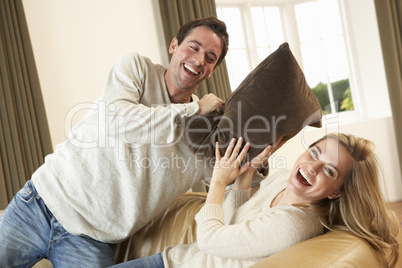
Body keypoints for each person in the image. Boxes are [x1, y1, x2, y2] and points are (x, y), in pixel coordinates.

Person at [0, 17, 240, 267]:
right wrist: (194, 108)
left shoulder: (202, 131)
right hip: (38, 204)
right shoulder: (137, 68)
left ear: (213, 70)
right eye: (194, 47)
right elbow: (119, 122)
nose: (199, 59)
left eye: (210, 58)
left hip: (90, 241)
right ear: (174, 45)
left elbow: (230, 174)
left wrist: (262, 156)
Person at [111, 133, 400, 268]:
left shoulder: (294, 225)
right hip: (174, 258)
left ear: (336, 192)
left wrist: (220, 181)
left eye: (329, 170)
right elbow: (230, 218)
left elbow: (211, 239)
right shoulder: (283, 179)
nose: (311, 167)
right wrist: (244, 176)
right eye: (314, 152)